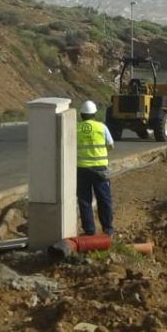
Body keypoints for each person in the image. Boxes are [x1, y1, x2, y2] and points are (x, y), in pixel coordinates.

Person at [75, 99, 114, 236]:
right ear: (95, 114)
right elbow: (110, 145)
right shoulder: (101, 127)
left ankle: (89, 231)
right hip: (100, 169)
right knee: (104, 199)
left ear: (81, 115)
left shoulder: (76, 128)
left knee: (84, 200)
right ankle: (107, 229)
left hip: (81, 169)